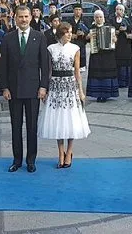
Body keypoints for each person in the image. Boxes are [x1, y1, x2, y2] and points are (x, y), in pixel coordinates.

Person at [0, 6, 50, 173]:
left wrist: (44, 87)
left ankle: (31, 160)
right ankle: (17, 160)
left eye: (26, 16)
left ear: (30, 18)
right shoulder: (8, 39)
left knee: (31, 126)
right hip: (13, 90)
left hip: (33, 89)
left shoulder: (39, 37)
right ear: (15, 18)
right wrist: (5, 87)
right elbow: (4, 67)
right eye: (20, 17)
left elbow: (45, 64)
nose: (23, 19)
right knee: (15, 126)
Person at [38, 22, 91, 168]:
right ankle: (60, 152)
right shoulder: (51, 49)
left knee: (71, 119)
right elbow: (48, 72)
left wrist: (80, 91)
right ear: (61, 33)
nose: (69, 34)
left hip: (70, 86)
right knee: (58, 120)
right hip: (55, 87)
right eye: (67, 32)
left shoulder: (75, 48)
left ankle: (69, 151)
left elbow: (77, 71)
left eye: (70, 32)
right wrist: (46, 89)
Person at [86, 10, 119, 103]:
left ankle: (106, 94)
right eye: (97, 17)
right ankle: (97, 94)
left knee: (106, 74)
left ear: (103, 18)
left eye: (100, 17)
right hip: (96, 54)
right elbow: (87, 39)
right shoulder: (92, 28)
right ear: (94, 18)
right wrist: (88, 37)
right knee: (97, 74)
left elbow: (115, 40)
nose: (99, 19)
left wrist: (114, 39)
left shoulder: (110, 27)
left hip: (108, 55)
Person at [112, 4, 132, 88]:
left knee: (125, 63)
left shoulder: (127, 20)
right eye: (117, 9)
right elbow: (109, 27)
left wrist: (126, 29)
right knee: (117, 62)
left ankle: (126, 81)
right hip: (116, 43)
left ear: (123, 12)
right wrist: (115, 31)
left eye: (120, 10)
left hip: (125, 43)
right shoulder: (112, 19)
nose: (118, 11)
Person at [67, 4, 89, 71]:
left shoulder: (85, 20)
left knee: (81, 67)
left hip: (81, 44)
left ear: (82, 11)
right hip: (72, 43)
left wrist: (84, 34)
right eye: (76, 10)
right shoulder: (69, 20)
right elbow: (65, 31)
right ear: (73, 11)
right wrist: (71, 35)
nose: (78, 11)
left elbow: (89, 32)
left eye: (79, 10)